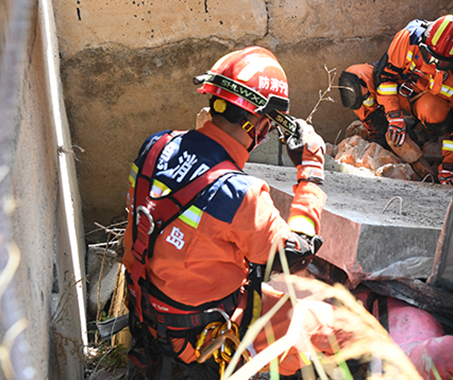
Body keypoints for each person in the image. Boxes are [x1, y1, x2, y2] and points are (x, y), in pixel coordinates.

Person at [122, 46, 346, 379]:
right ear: (258, 124)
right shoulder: (241, 194)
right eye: (269, 124)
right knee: (337, 326)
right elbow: (293, 255)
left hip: (148, 316)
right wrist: (311, 172)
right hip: (199, 341)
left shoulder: (155, 145)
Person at [339, 15, 453, 185]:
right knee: (353, 80)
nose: (433, 62)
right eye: (429, 55)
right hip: (396, 88)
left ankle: (424, 134)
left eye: (442, 62)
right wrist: (394, 117)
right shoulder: (410, 35)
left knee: (436, 115)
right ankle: (379, 131)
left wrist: (448, 167)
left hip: (423, 101)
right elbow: (384, 76)